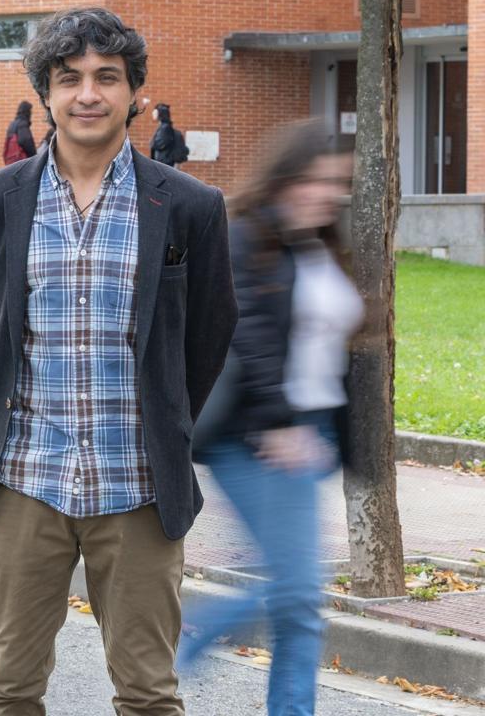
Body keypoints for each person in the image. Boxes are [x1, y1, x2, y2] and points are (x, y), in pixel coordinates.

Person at [0, 7, 238, 716]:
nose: (89, 94)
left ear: (134, 92)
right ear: (45, 94)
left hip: (140, 486)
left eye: (107, 78)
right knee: (9, 693)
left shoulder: (189, 206)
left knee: (148, 696)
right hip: (26, 479)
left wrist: (168, 419)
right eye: (69, 78)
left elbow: (208, 332)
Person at [179, 120, 360, 716]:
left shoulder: (319, 242)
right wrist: (279, 421)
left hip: (312, 436)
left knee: (298, 599)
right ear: (283, 177)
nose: (326, 194)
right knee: (299, 594)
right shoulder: (245, 236)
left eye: (336, 184)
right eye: (313, 180)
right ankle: (197, 631)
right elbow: (249, 333)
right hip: (254, 439)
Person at [150, 103, 189, 168]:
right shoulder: (163, 126)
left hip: (164, 163)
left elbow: (159, 144)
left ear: (160, 113)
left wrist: (152, 143)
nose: (153, 113)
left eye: (155, 112)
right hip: (164, 162)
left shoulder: (165, 127)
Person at [2, 100, 37, 165]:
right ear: (27, 112)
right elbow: (25, 141)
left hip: (11, 162)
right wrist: (35, 157)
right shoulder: (22, 124)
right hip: (21, 162)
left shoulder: (12, 124)